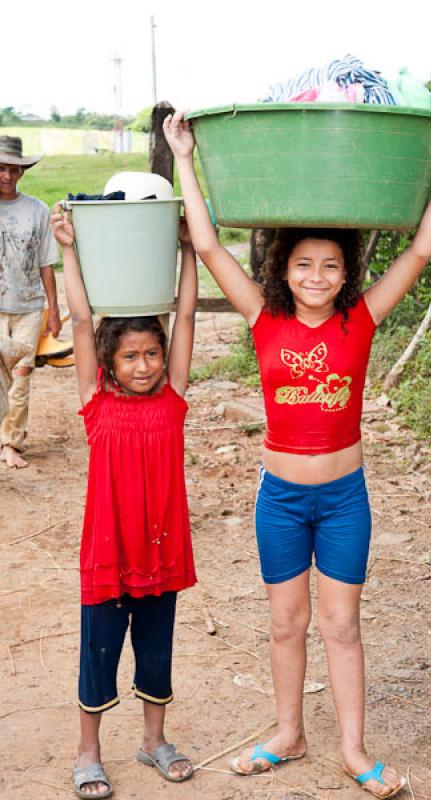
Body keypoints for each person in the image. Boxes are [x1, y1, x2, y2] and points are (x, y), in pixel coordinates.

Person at [164, 109, 431, 799]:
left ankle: (354, 750)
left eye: (329, 265)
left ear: (345, 273)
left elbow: (420, 251)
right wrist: (184, 156)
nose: (315, 275)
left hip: (342, 501)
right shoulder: (263, 317)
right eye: (303, 264)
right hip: (279, 499)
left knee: (340, 625)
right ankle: (287, 733)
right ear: (283, 269)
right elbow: (212, 248)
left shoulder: (358, 319)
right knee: (285, 624)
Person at [51, 207, 198, 798]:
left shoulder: (175, 400)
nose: (144, 365)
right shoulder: (95, 405)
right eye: (131, 357)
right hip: (109, 552)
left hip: (161, 549)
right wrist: (68, 250)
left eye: (152, 354)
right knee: (99, 652)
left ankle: (152, 741)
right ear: (110, 365)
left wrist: (188, 251)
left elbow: (184, 314)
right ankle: (88, 751)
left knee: (156, 648)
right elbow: (83, 321)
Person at [0, 135, 61, 468]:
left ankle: (12, 443)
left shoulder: (36, 210)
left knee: (21, 377)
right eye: (1, 169)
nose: (7, 176)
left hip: (28, 306)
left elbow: (46, 264)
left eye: (13, 169)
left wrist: (53, 308)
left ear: (22, 172)